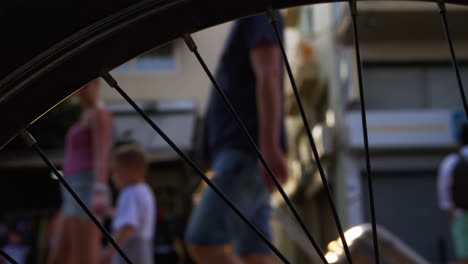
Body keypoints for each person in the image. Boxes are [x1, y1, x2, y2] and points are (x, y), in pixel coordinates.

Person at [185, 12, 287, 264]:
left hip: (244, 151)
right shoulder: (253, 16)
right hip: (245, 152)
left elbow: (269, 72)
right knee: (254, 254)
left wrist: (269, 146)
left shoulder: (258, 13)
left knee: (203, 241)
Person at [48, 79, 113, 264]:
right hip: (71, 189)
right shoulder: (86, 114)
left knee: (84, 258)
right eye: (80, 86)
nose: (82, 91)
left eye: (87, 85)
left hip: (87, 189)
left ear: (97, 85)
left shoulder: (99, 113)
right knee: (58, 257)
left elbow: (102, 153)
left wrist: (99, 190)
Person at [101, 144, 156, 264]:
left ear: (132, 172)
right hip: (143, 248)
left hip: (130, 248)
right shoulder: (144, 190)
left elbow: (127, 226)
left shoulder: (130, 193)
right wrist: (110, 212)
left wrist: (109, 252)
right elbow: (133, 217)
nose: (112, 177)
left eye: (116, 171)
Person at [438, 123, 468, 264]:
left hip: (460, 214)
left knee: (463, 256)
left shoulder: (452, 161)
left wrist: (452, 214)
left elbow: (444, 191)